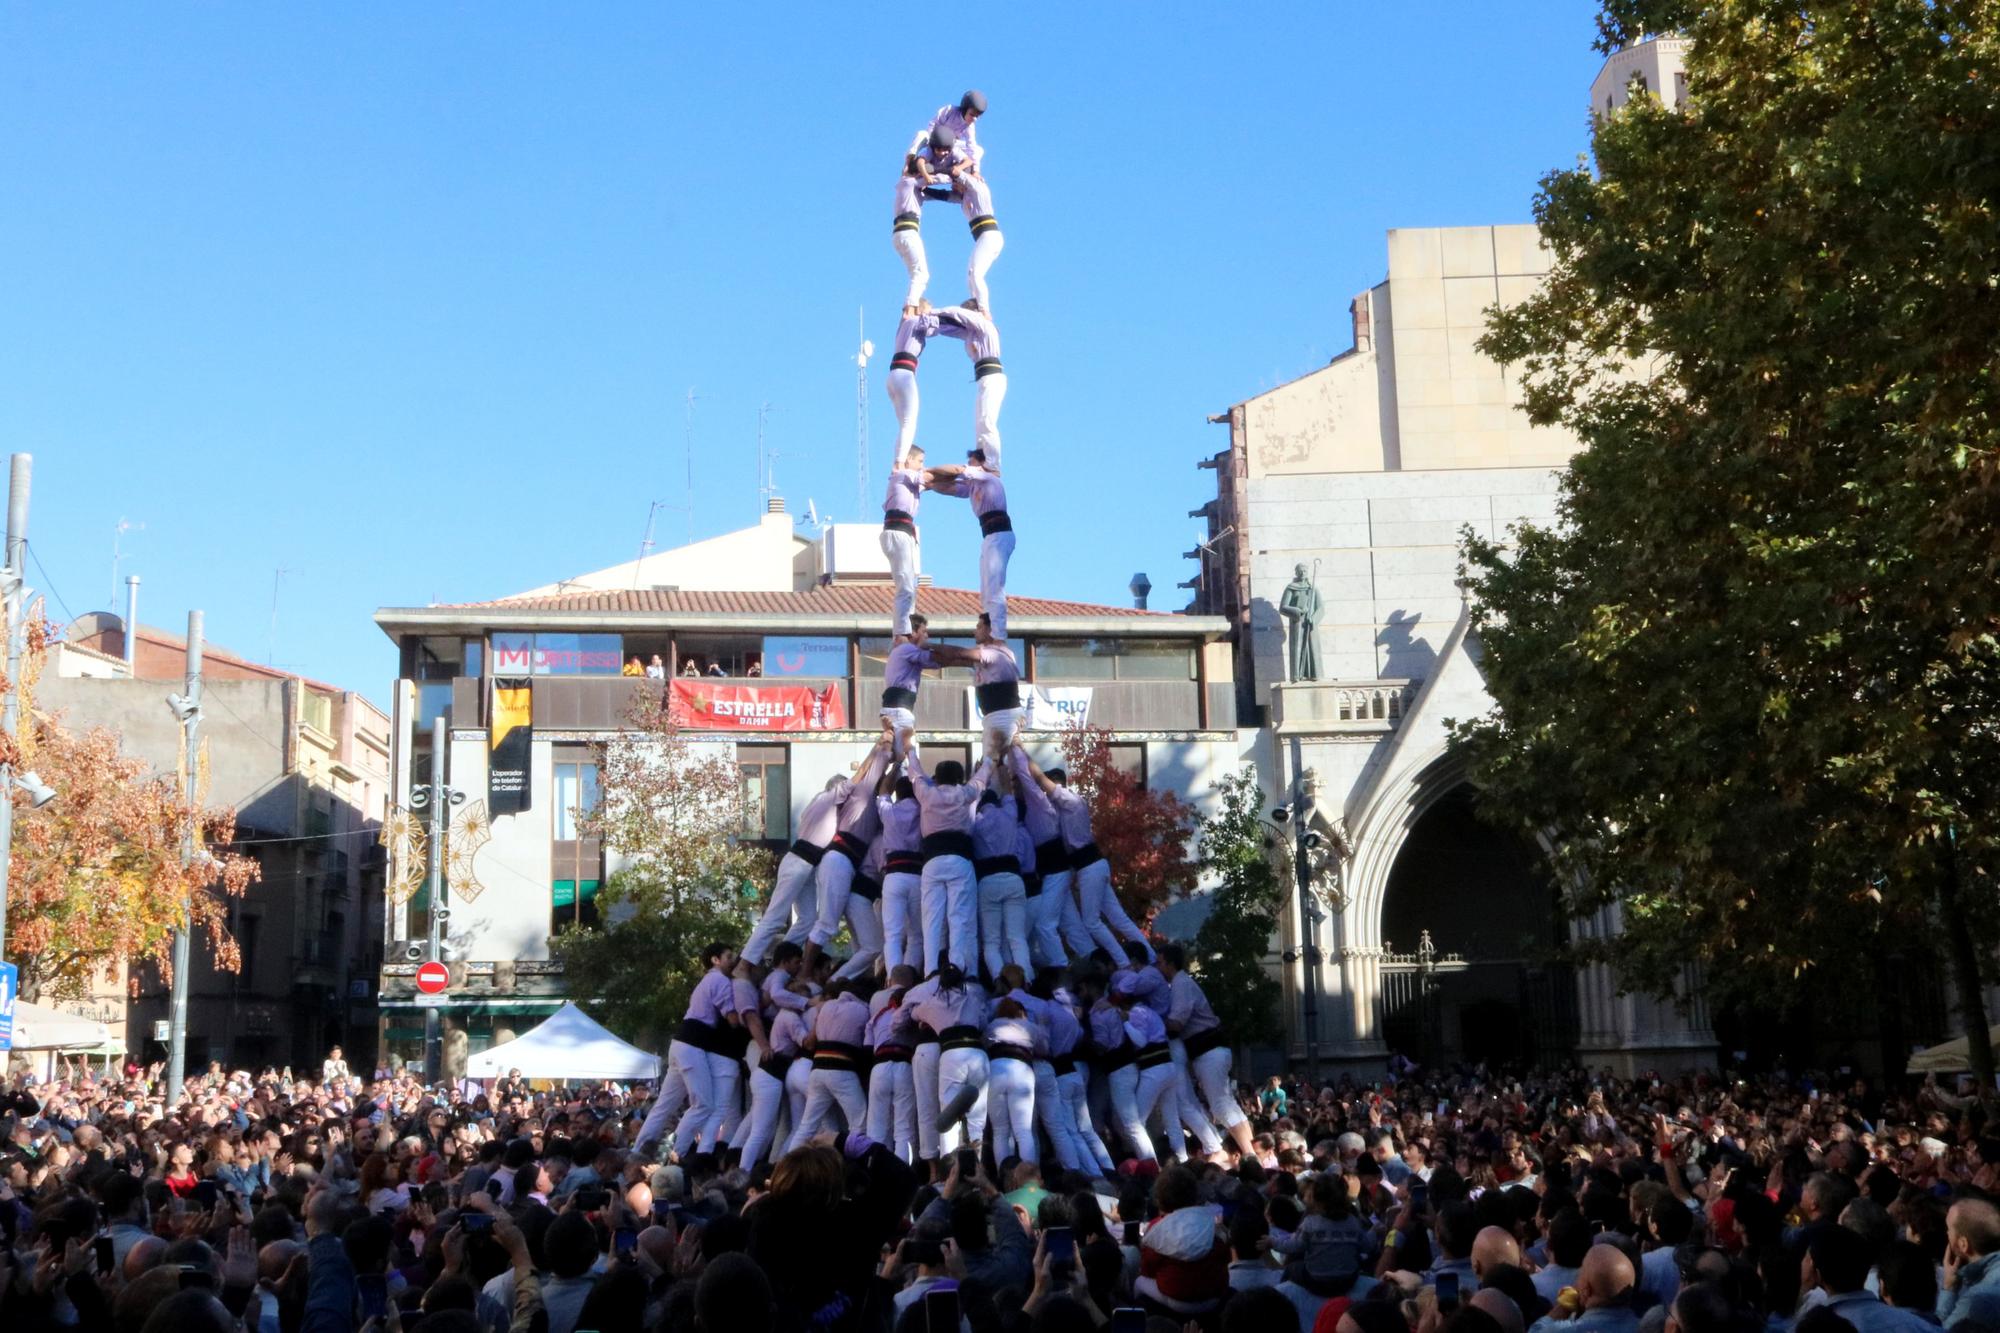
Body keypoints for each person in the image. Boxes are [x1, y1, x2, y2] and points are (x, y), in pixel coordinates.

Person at [1016, 749, 1154, 961]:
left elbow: (1039, 779)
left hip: (1088, 866)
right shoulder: (1065, 808)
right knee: (1118, 919)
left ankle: (1123, 962)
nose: (1047, 795)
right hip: (1092, 865)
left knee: (1091, 922)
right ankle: (1150, 957)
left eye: (1049, 790)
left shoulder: (1069, 800)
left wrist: (1019, 748)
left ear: (1057, 785)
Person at [803, 734, 894, 980]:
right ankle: (803, 974)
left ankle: (836, 982)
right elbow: (875, 769)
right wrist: (886, 747)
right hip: (838, 860)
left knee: (871, 945)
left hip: (847, 867)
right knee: (827, 925)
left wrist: (897, 763)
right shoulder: (862, 795)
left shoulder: (874, 806)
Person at [742, 774, 849, 966]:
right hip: (798, 863)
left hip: (806, 867)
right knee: (775, 917)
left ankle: (782, 958)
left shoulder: (822, 804)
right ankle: (746, 961)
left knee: (808, 919)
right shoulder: (826, 799)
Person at [906, 741, 994, 975]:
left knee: (932, 921)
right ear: (958, 778)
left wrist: (911, 751)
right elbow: (982, 778)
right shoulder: (965, 793)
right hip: (959, 860)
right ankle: (960, 971)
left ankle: (931, 973)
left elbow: (915, 774)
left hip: (932, 862)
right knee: (959, 918)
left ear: (937, 778)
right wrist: (988, 759)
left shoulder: (927, 793)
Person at [1158, 942, 1253, 1156]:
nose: (1158, 967)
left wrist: (1149, 1019)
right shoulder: (1180, 984)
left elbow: (1177, 1024)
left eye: (1160, 963)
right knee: (1224, 1103)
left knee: (1220, 1105)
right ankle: (1249, 1151)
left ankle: (1250, 1154)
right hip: (1207, 1052)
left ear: (1170, 964)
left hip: (1210, 1051)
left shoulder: (1181, 984)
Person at [930, 306, 1007, 473]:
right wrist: (926, 323)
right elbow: (949, 329)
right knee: (979, 424)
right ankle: (982, 458)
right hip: (983, 379)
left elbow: (957, 313)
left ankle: (993, 465)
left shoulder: (985, 326)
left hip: (992, 377)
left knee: (987, 421)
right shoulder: (971, 333)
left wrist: (932, 311)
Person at [894, 126, 958, 315]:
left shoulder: (912, 190)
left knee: (917, 272)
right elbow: (936, 180)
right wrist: (956, 173)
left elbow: (937, 195)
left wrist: (958, 197)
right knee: (921, 273)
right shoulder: (909, 182)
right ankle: (910, 309)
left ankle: (911, 306)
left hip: (902, 233)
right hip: (907, 232)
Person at [882, 448, 927, 638]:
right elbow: (930, 478)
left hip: (902, 532)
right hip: (899, 531)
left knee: (909, 586)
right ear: (908, 459)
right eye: (919, 461)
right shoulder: (903, 475)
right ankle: (903, 632)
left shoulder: (907, 479)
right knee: (906, 587)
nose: (921, 466)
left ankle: (908, 627)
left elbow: (931, 483)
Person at [885, 309, 939, 469]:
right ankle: (900, 462)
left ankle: (899, 460)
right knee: (909, 423)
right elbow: (938, 326)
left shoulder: (904, 326)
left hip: (894, 376)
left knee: (904, 424)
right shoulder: (916, 321)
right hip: (904, 375)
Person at [1941, 1197, 2000, 1328]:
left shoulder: (1978, 1297)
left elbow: (1940, 1330)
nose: (1946, 1233)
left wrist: (1948, 1288)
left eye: (1948, 1228)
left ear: (1963, 1244)